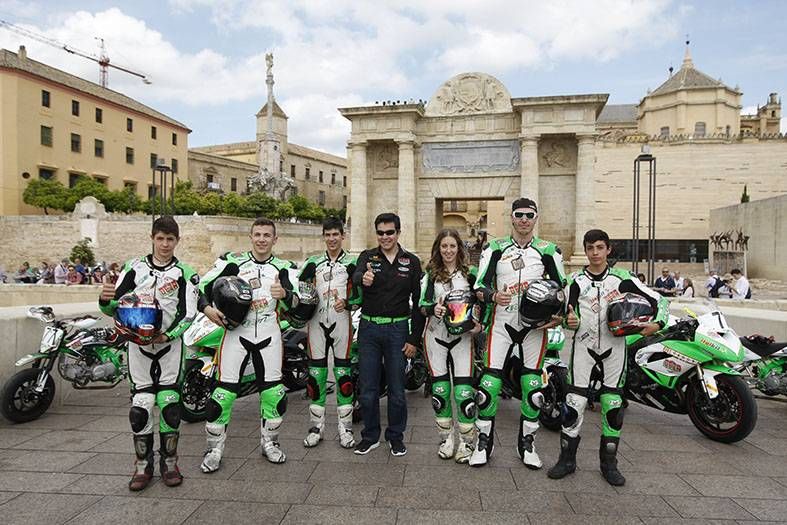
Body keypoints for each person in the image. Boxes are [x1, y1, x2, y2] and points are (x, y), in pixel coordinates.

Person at [548, 229, 668, 486]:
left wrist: (657, 324)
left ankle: (609, 464)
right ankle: (566, 460)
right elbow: (563, 316)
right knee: (574, 403)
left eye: (599, 248)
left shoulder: (623, 278)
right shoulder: (574, 281)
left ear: (608, 250)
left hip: (615, 347)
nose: (594, 253)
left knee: (613, 405)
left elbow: (659, 301)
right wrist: (569, 322)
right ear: (585, 249)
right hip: (582, 346)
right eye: (590, 248)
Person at [98, 216, 199, 491]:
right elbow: (112, 307)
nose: (165, 244)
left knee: (169, 403)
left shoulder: (186, 273)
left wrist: (168, 334)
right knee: (140, 406)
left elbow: (189, 313)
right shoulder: (133, 267)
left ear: (177, 241)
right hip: (137, 346)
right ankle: (143, 465)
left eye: (170, 239)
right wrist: (104, 300)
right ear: (152, 238)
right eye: (160, 238)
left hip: (169, 345)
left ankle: (170, 462)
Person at [471, 197, 566, 468]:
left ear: (536, 218)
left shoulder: (549, 250)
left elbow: (563, 288)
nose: (524, 219)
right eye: (519, 214)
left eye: (529, 215)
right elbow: (479, 285)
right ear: (511, 218)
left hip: (534, 328)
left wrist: (559, 316)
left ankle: (527, 445)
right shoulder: (495, 248)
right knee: (489, 386)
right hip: (501, 324)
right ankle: (483, 443)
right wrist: (491, 296)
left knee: (533, 387)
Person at [199, 217, 297, 471]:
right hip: (236, 336)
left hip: (270, 336)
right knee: (221, 396)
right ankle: (214, 449)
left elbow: (303, 306)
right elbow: (199, 288)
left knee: (274, 394)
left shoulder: (285, 268)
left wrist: (285, 296)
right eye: (258, 234)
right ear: (251, 237)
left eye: (267, 235)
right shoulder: (232, 263)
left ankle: (270, 443)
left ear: (275, 239)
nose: (262, 239)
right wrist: (208, 310)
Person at [351, 212, 424, 457]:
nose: (385, 237)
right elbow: (356, 276)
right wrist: (364, 278)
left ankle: (395, 437)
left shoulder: (412, 262)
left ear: (398, 233)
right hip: (369, 329)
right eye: (380, 233)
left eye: (389, 232)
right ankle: (370, 436)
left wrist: (414, 339)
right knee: (368, 388)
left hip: (398, 329)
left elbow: (419, 301)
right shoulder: (367, 257)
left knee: (396, 389)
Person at [419, 228, 482, 463]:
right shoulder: (430, 273)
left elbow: (483, 303)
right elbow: (421, 304)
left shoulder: (472, 274)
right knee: (440, 391)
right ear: (438, 248)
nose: (448, 250)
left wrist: (480, 325)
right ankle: (446, 439)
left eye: (452, 246)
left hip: (463, 339)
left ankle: (467, 442)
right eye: (444, 246)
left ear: (459, 248)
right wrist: (431, 309)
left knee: (464, 392)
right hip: (435, 336)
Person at [299, 217, 359, 449]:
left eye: (336, 234)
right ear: (323, 236)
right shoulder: (312, 263)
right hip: (316, 323)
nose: (332, 239)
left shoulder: (352, 264)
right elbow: (298, 291)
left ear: (343, 236)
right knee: (315, 377)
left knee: (343, 376)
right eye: (328, 234)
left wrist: (349, 303)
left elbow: (361, 294)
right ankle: (316, 427)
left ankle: (345, 429)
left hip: (342, 322)